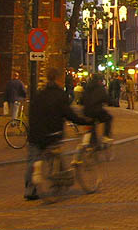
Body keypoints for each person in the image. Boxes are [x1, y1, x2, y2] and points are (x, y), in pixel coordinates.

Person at [24, 68, 91, 200]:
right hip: (52, 134)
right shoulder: (60, 95)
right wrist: (83, 121)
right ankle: (57, 181)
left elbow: (31, 114)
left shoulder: (39, 95)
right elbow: (69, 114)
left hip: (35, 134)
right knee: (54, 156)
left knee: (32, 160)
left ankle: (30, 190)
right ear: (59, 80)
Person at [82, 73, 113, 142]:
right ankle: (105, 136)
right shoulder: (100, 88)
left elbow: (82, 99)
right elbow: (106, 98)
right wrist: (111, 102)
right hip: (96, 111)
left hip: (86, 111)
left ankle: (92, 142)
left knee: (92, 124)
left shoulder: (87, 87)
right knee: (108, 118)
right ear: (99, 80)